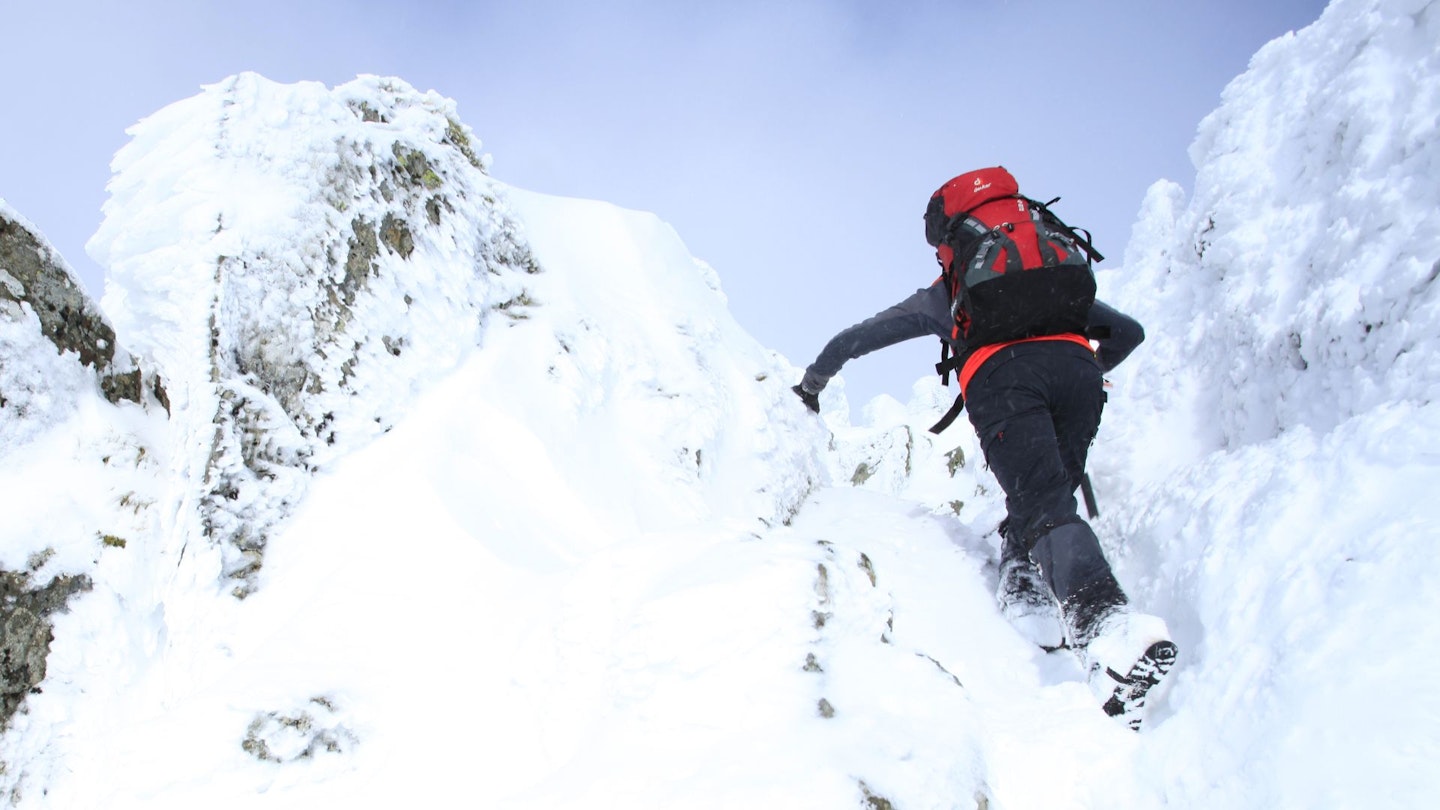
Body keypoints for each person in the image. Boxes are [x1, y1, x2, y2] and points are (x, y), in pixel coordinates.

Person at [793, 170, 1176, 728]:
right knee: (1048, 497)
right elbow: (1128, 333)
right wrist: (1085, 369)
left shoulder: (948, 293)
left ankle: (1110, 632)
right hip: (1077, 375)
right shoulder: (1053, 277)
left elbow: (858, 338)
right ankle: (1027, 589)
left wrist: (812, 384)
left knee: (1044, 504)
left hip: (1004, 381)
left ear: (948, 241)